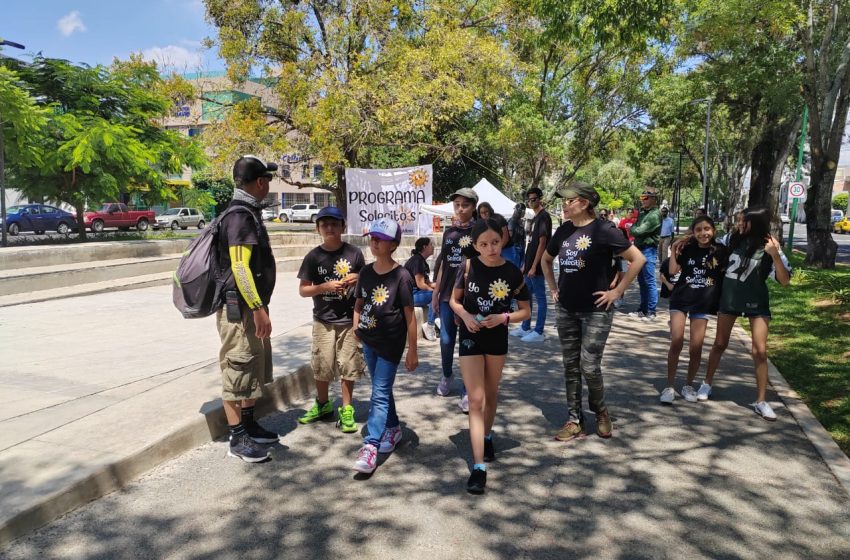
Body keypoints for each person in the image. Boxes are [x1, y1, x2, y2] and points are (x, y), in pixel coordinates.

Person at [542, 182, 645, 441]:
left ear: (585, 203)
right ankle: (574, 419)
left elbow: (638, 259)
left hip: (596, 310)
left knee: (589, 365)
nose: (564, 205)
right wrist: (553, 288)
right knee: (570, 366)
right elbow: (546, 259)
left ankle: (600, 411)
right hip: (566, 308)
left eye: (569, 200)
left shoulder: (603, 230)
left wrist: (617, 291)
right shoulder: (564, 230)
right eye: (564, 201)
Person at [450, 218, 531, 494]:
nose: (490, 248)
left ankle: (486, 436)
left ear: (503, 239)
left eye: (495, 242)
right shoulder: (468, 266)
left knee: (491, 392)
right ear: (475, 245)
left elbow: (526, 311)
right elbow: (454, 300)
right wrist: (465, 316)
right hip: (471, 337)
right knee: (476, 399)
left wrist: (504, 317)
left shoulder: (512, 272)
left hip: (497, 337)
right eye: (483, 244)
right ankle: (478, 466)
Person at [699, 207, 791, 420]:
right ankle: (706, 384)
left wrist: (775, 255)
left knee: (759, 351)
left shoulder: (770, 245)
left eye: (744, 221)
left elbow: (785, 281)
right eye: (739, 220)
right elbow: (707, 245)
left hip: (757, 302)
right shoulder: (731, 238)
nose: (739, 224)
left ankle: (761, 400)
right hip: (730, 299)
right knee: (719, 343)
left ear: (756, 223)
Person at [217, 155, 279, 462]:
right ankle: (237, 439)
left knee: (253, 367)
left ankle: (250, 423)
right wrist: (257, 307)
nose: (268, 184)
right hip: (239, 310)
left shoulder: (248, 212)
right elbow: (240, 268)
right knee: (238, 367)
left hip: (250, 307)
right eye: (266, 179)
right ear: (259, 182)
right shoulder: (239, 216)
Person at [352, 218, 418, 473]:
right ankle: (393, 428)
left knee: (379, 392)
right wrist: (356, 327)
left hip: (391, 344)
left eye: (380, 238)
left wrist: (413, 350)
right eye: (373, 237)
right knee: (381, 389)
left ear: (393, 244)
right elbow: (359, 302)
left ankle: (370, 446)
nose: (374, 242)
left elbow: (410, 316)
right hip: (369, 340)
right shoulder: (366, 272)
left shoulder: (402, 276)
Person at [296, 206, 366, 432]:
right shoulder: (313, 256)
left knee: (348, 364)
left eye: (334, 224)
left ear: (342, 227)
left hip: (348, 320)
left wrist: (357, 277)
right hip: (323, 320)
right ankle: (323, 404)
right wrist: (324, 286)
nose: (330, 228)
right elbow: (303, 291)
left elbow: (366, 281)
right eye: (324, 224)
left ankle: (346, 408)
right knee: (322, 365)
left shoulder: (354, 253)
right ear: (318, 229)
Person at [659, 216, 728, 405]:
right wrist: (673, 250)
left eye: (707, 229)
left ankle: (688, 385)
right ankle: (669, 386)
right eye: (698, 230)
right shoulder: (686, 248)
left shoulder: (720, 251)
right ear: (694, 232)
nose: (703, 233)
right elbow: (673, 271)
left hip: (703, 303)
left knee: (696, 347)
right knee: (676, 341)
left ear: (713, 230)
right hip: (680, 299)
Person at [432, 188, 479, 411]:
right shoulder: (448, 232)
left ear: (473, 207)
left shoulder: (479, 231)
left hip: (470, 296)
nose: (460, 209)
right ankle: (447, 374)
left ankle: (468, 389)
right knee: (446, 340)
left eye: (465, 205)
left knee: (468, 343)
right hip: (446, 294)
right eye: (457, 204)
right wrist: (435, 292)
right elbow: (443, 264)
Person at [510, 187, 552, 343]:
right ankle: (525, 327)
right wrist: (526, 265)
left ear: (540, 199)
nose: (531, 202)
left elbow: (542, 243)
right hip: (529, 265)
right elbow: (531, 244)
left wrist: (534, 266)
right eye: (529, 199)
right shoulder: (535, 218)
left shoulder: (544, 217)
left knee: (541, 299)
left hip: (538, 266)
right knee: (526, 297)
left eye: (534, 199)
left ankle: (539, 330)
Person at [629, 189, 662, 321]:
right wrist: (634, 229)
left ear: (654, 199)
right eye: (642, 197)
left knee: (649, 281)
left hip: (648, 250)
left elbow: (638, 231)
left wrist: (634, 229)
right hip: (639, 250)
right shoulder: (643, 213)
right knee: (642, 281)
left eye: (646, 197)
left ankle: (651, 311)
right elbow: (634, 228)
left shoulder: (654, 215)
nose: (643, 200)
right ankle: (642, 310)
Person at [405, 237, 438, 341]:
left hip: (417, 293)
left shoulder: (422, 261)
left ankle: (438, 319)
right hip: (410, 296)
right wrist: (435, 291)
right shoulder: (417, 261)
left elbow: (428, 283)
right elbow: (420, 284)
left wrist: (441, 286)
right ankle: (430, 325)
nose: (433, 247)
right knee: (435, 295)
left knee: (441, 292)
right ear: (424, 247)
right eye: (431, 245)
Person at [505, 203, 526, 268]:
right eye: (522, 211)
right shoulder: (512, 222)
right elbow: (509, 236)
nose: (523, 213)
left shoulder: (520, 221)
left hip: (520, 248)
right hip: (514, 249)